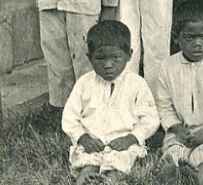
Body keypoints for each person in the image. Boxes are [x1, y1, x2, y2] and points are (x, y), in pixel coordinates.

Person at [61, 20, 158, 185]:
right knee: (86, 167)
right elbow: (70, 117)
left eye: (115, 57)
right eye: (100, 58)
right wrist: (83, 137)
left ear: (129, 55)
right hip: (92, 143)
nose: (107, 65)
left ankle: (109, 181)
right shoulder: (84, 83)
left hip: (123, 145)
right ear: (89, 57)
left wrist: (132, 138)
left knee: (117, 168)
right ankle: (86, 179)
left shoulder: (137, 84)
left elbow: (150, 118)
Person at [151, 0, 203, 185]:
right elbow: (164, 107)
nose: (197, 44)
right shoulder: (167, 67)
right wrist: (178, 129)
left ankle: (200, 174)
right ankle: (172, 171)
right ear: (176, 38)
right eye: (189, 38)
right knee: (174, 147)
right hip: (180, 130)